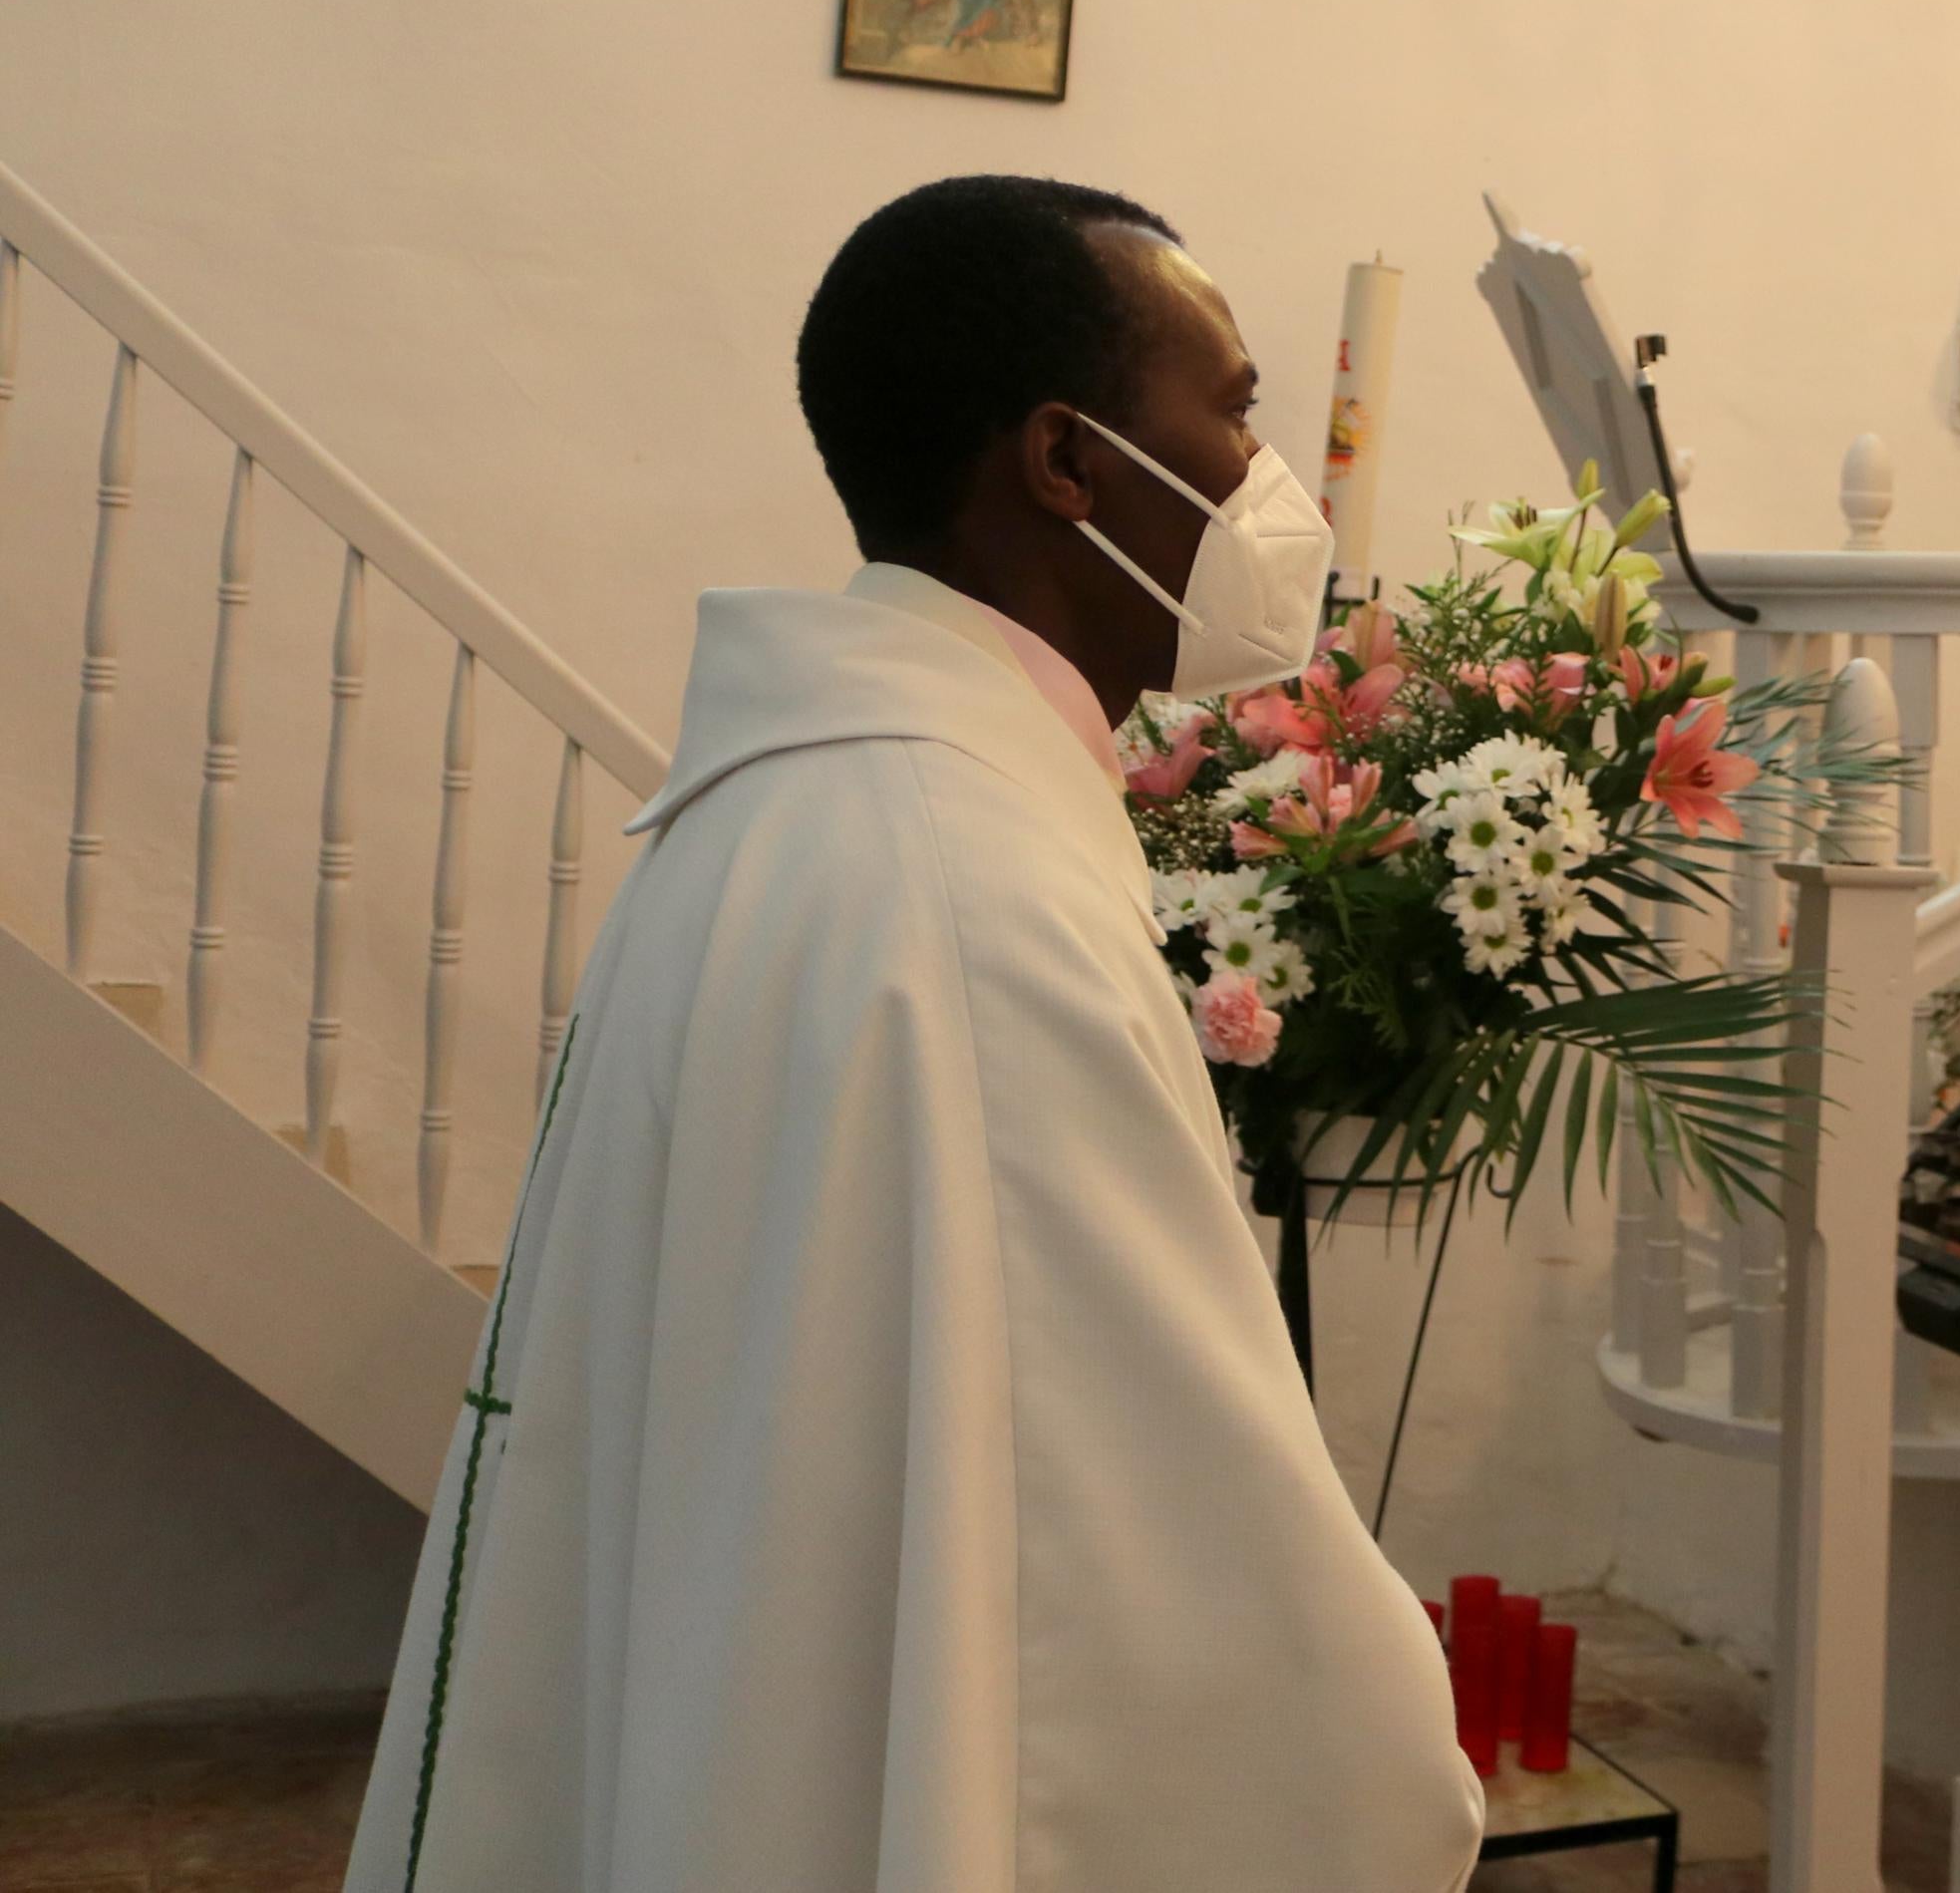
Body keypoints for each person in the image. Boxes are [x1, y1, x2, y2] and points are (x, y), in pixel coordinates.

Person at [345, 176, 1482, 1893]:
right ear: (1065, 462)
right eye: (1233, 414)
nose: (1272, 487)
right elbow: (1171, 1594)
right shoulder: (973, 900)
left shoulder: (776, 812)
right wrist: (1394, 1737)